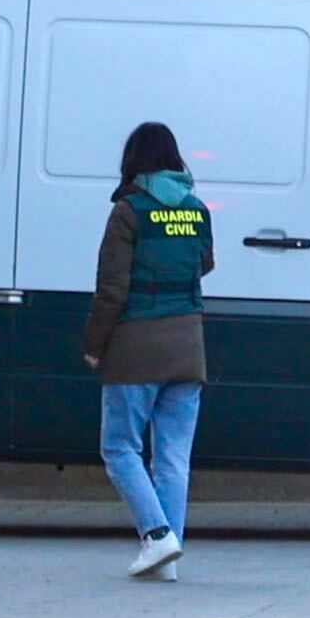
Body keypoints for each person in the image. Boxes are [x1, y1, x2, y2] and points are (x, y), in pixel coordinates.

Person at [81, 122, 213, 580]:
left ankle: (157, 536)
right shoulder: (197, 210)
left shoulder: (128, 212)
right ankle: (167, 558)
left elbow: (111, 289)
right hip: (188, 347)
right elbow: (205, 263)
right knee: (173, 456)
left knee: (119, 448)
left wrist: (95, 345)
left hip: (137, 346)